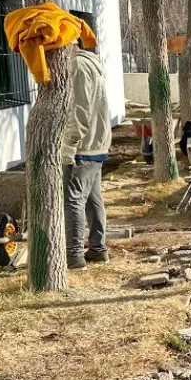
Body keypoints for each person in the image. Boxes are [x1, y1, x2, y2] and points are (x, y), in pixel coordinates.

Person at [61, 42, 112, 270]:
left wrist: (68, 146)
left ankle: (74, 257)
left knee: (73, 201)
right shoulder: (90, 63)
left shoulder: (78, 66)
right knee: (93, 200)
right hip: (96, 144)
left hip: (84, 146)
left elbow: (80, 111)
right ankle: (98, 250)